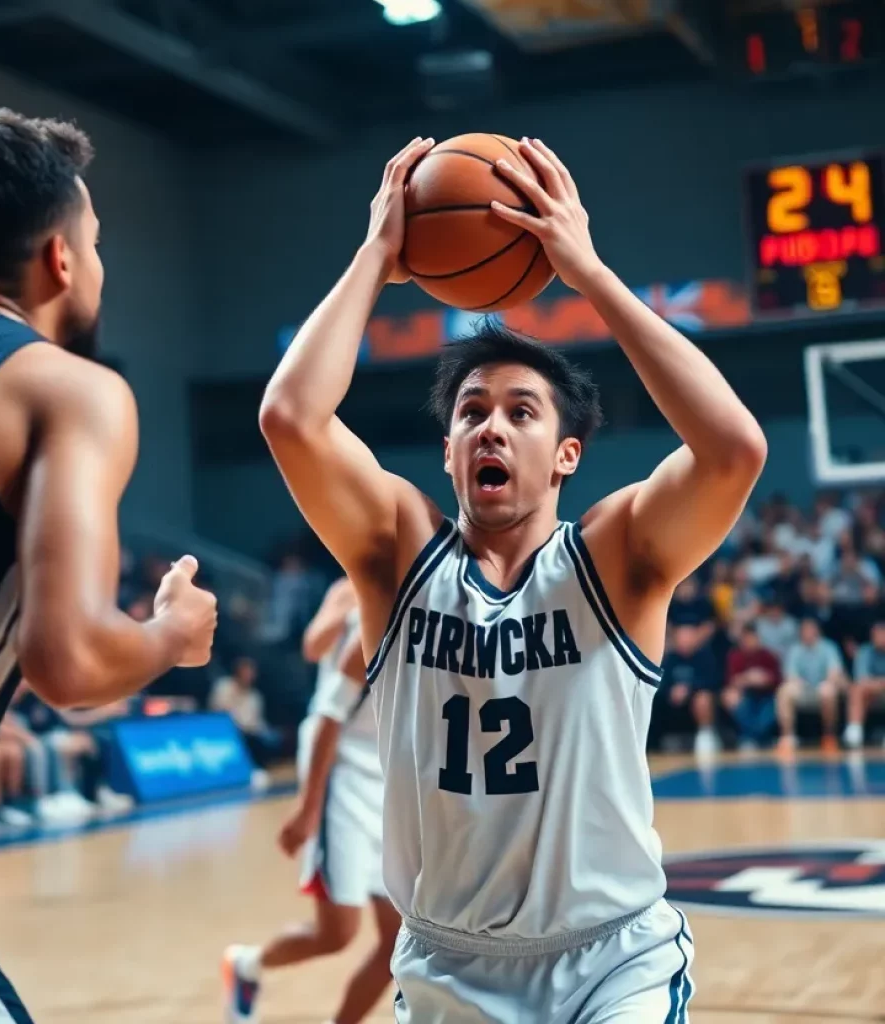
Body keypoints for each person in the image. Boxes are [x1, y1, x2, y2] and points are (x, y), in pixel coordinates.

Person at [260, 136, 766, 1022]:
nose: (492, 428)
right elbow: (290, 416)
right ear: (449, 450)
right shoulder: (394, 557)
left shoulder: (617, 558)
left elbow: (733, 450)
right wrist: (376, 257)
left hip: (612, 960)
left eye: (520, 412)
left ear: (567, 454)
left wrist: (592, 275)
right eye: (471, 412)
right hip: (447, 962)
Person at [0, 109, 217, 1022]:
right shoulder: (69, 388)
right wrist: (170, 635)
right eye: (95, 243)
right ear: (61, 258)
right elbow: (71, 664)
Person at [223, 579, 400, 1024]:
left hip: (386, 772)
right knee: (338, 932)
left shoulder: (438, 607)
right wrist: (307, 808)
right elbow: (311, 647)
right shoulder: (354, 592)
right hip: (337, 762)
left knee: (398, 941)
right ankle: (247, 965)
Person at [778, 617, 846, 754]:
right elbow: (790, 675)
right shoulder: (795, 649)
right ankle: (787, 737)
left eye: (810, 629)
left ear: (817, 631)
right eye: (804, 630)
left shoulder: (829, 647)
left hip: (823, 688)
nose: (807, 633)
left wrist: (827, 682)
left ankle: (829, 736)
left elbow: (834, 672)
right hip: (803, 691)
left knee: (828, 690)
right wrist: (799, 684)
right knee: (784, 691)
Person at [658, 625, 721, 756]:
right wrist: (671, 690)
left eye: (688, 637)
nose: (685, 641)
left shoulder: (705, 657)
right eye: (681, 638)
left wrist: (689, 689)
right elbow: (660, 682)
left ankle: (706, 735)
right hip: (673, 702)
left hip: (696, 699)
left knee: (703, 699)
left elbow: (712, 681)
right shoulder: (670, 659)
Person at [722, 623, 781, 751]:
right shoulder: (735, 656)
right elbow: (731, 680)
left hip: (767, 695)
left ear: (758, 638)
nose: (749, 642)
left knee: (771, 710)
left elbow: (777, 679)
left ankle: (753, 738)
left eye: (752, 638)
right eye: (746, 639)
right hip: (746, 695)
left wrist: (764, 679)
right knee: (731, 698)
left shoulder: (768, 655)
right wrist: (748, 678)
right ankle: (755, 739)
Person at [844, 620, 885, 749]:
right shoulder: (864, 651)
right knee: (856, 689)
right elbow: (861, 679)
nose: (880, 638)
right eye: (876, 635)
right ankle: (855, 732)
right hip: (870, 693)